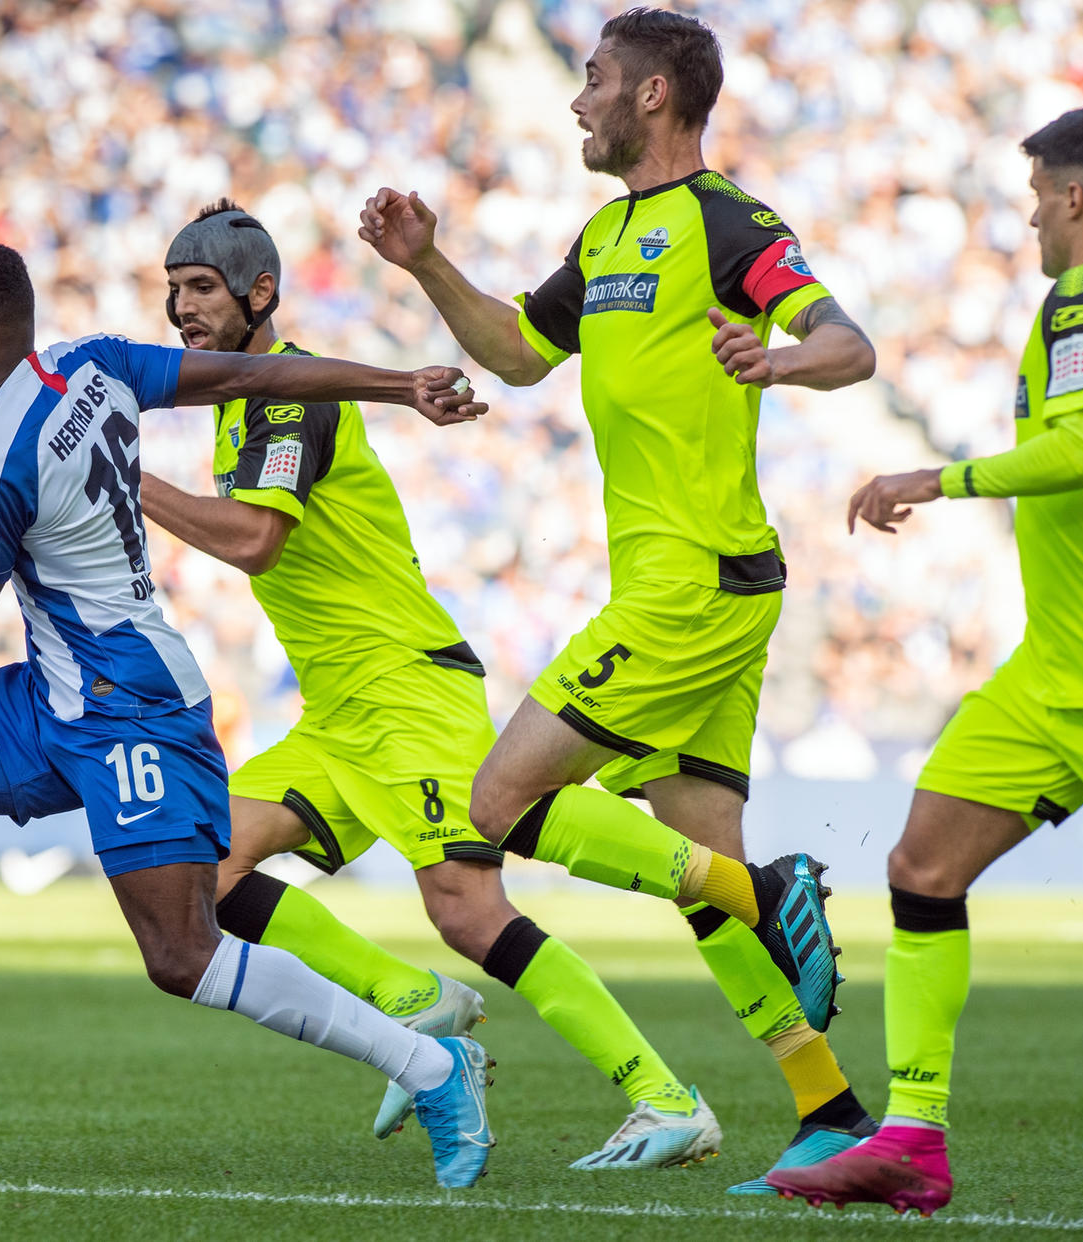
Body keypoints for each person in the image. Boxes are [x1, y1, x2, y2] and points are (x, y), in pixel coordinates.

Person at [0, 240, 504, 1187]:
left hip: (134, 708)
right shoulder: (94, 365)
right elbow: (256, 374)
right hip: (52, 689)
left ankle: (432, 1064)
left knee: (184, 956)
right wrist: (401, 386)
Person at [357, 7, 880, 1192]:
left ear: (652, 95)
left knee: (496, 801)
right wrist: (429, 264)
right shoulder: (607, 236)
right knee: (695, 868)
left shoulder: (729, 222)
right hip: (695, 586)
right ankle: (832, 1111)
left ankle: (774, 892)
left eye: (593, 80)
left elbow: (848, 345)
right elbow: (521, 353)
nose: (576, 99)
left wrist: (778, 355)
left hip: (691, 588)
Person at [142, 199, 720, 1170]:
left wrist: (128, 479)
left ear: (261, 292)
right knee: (206, 867)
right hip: (340, 712)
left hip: (406, 690)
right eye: (173, 289)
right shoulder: (252, 395)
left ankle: (664, 1095)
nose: (181, 306)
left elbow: (255, 540)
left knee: (465, 905)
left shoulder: (287, 397)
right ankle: (416, 1004)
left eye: (200, 286)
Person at [767, 105, 1083, 1218]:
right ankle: (914, 1137)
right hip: (1048, 672)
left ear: (1073, 197)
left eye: (1033, 197)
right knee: (922, 865)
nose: (1025, 220)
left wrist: (938, 479)